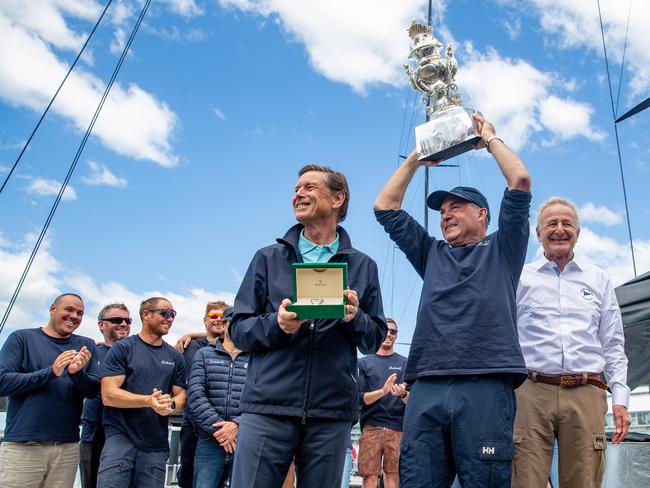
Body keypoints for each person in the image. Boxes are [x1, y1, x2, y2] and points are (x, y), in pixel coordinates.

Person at [374, 113, 532, 487]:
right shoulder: (431, 253)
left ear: (483, 215)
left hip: (486, 382)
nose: (446, 214)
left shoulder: (503, 248)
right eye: (442, 212)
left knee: (484, 480)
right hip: (427, 385)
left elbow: (520, 181)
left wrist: (490, 139)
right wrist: (418, 157)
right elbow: (385, 206)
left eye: (456, 206)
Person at [230, 164, 387, 487]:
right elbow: (238, 329)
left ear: (337, 199)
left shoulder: (362, 266)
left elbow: (374, 340)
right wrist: (278, 324)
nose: (298, 193)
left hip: (331, 412)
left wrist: (353, 317)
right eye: (296, 188)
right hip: (268, 406)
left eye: (309, 187)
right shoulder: (268, 258)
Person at [512, 197, 631, 488]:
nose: (560, 229)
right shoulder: (518, 278)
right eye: (551, 223)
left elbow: (613, 343)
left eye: (567, 223)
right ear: (538, 234)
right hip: (530, 391)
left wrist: (621, 401)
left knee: (584, 482)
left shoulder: (598, 278)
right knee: (524, 480)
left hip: (586, 391)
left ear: (578, 232)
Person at [0, 293, 98, 488]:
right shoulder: (21, 338)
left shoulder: (86, 345)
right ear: (53, 309)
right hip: (24, 445)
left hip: (67, 446)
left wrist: (77, 374)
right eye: (69, 310)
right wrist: (51, 372)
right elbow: (3, 382)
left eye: (80, 313)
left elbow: (93, 390)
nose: (74, 316)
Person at [97, 296, 187, 488]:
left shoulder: (175, 356)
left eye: (173, 315)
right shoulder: (123, 348)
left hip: (156, 444)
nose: (170, 318)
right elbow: (108, 394)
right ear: (146, 314)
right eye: (165, 313)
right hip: (120, 438)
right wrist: (148, 401)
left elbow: (182, 397)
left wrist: (169, 404)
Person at [188, 307, 250, 487]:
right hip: (210, 441)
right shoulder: (204, 354)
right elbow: (196, 396)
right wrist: (220, 431)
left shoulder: (257, 357)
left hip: (244, 440)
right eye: (235, 321)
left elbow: (262, 398)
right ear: (224, 324)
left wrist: (238, 425)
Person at [175, 300, 230, 488]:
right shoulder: (188, 346)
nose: (218, 320)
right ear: (205, 320)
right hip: (192, 419)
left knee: (218, 474)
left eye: (223, 317)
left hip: (220, 421)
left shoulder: (233, 347)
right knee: (188, 466)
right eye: (214, 316)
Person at [79, 303, 132, 488]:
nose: (124, 324)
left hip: (126, 433)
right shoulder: (91, 353)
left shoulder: (136, 353)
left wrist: (189, 335)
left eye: (128, 320)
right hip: (94, 432)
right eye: (117, 320)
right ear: (101, 325)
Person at [357, 318, 408, 488]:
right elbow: (360, 398)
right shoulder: (364, 362)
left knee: (393, 476)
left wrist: (403, 394)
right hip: (371, 427)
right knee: (369, 476)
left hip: (398, 428)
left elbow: (412, 402)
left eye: (393, 331)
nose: (389, 334)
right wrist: (383, 391)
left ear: (396, 336)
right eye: (386, 330)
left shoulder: (405, 364)